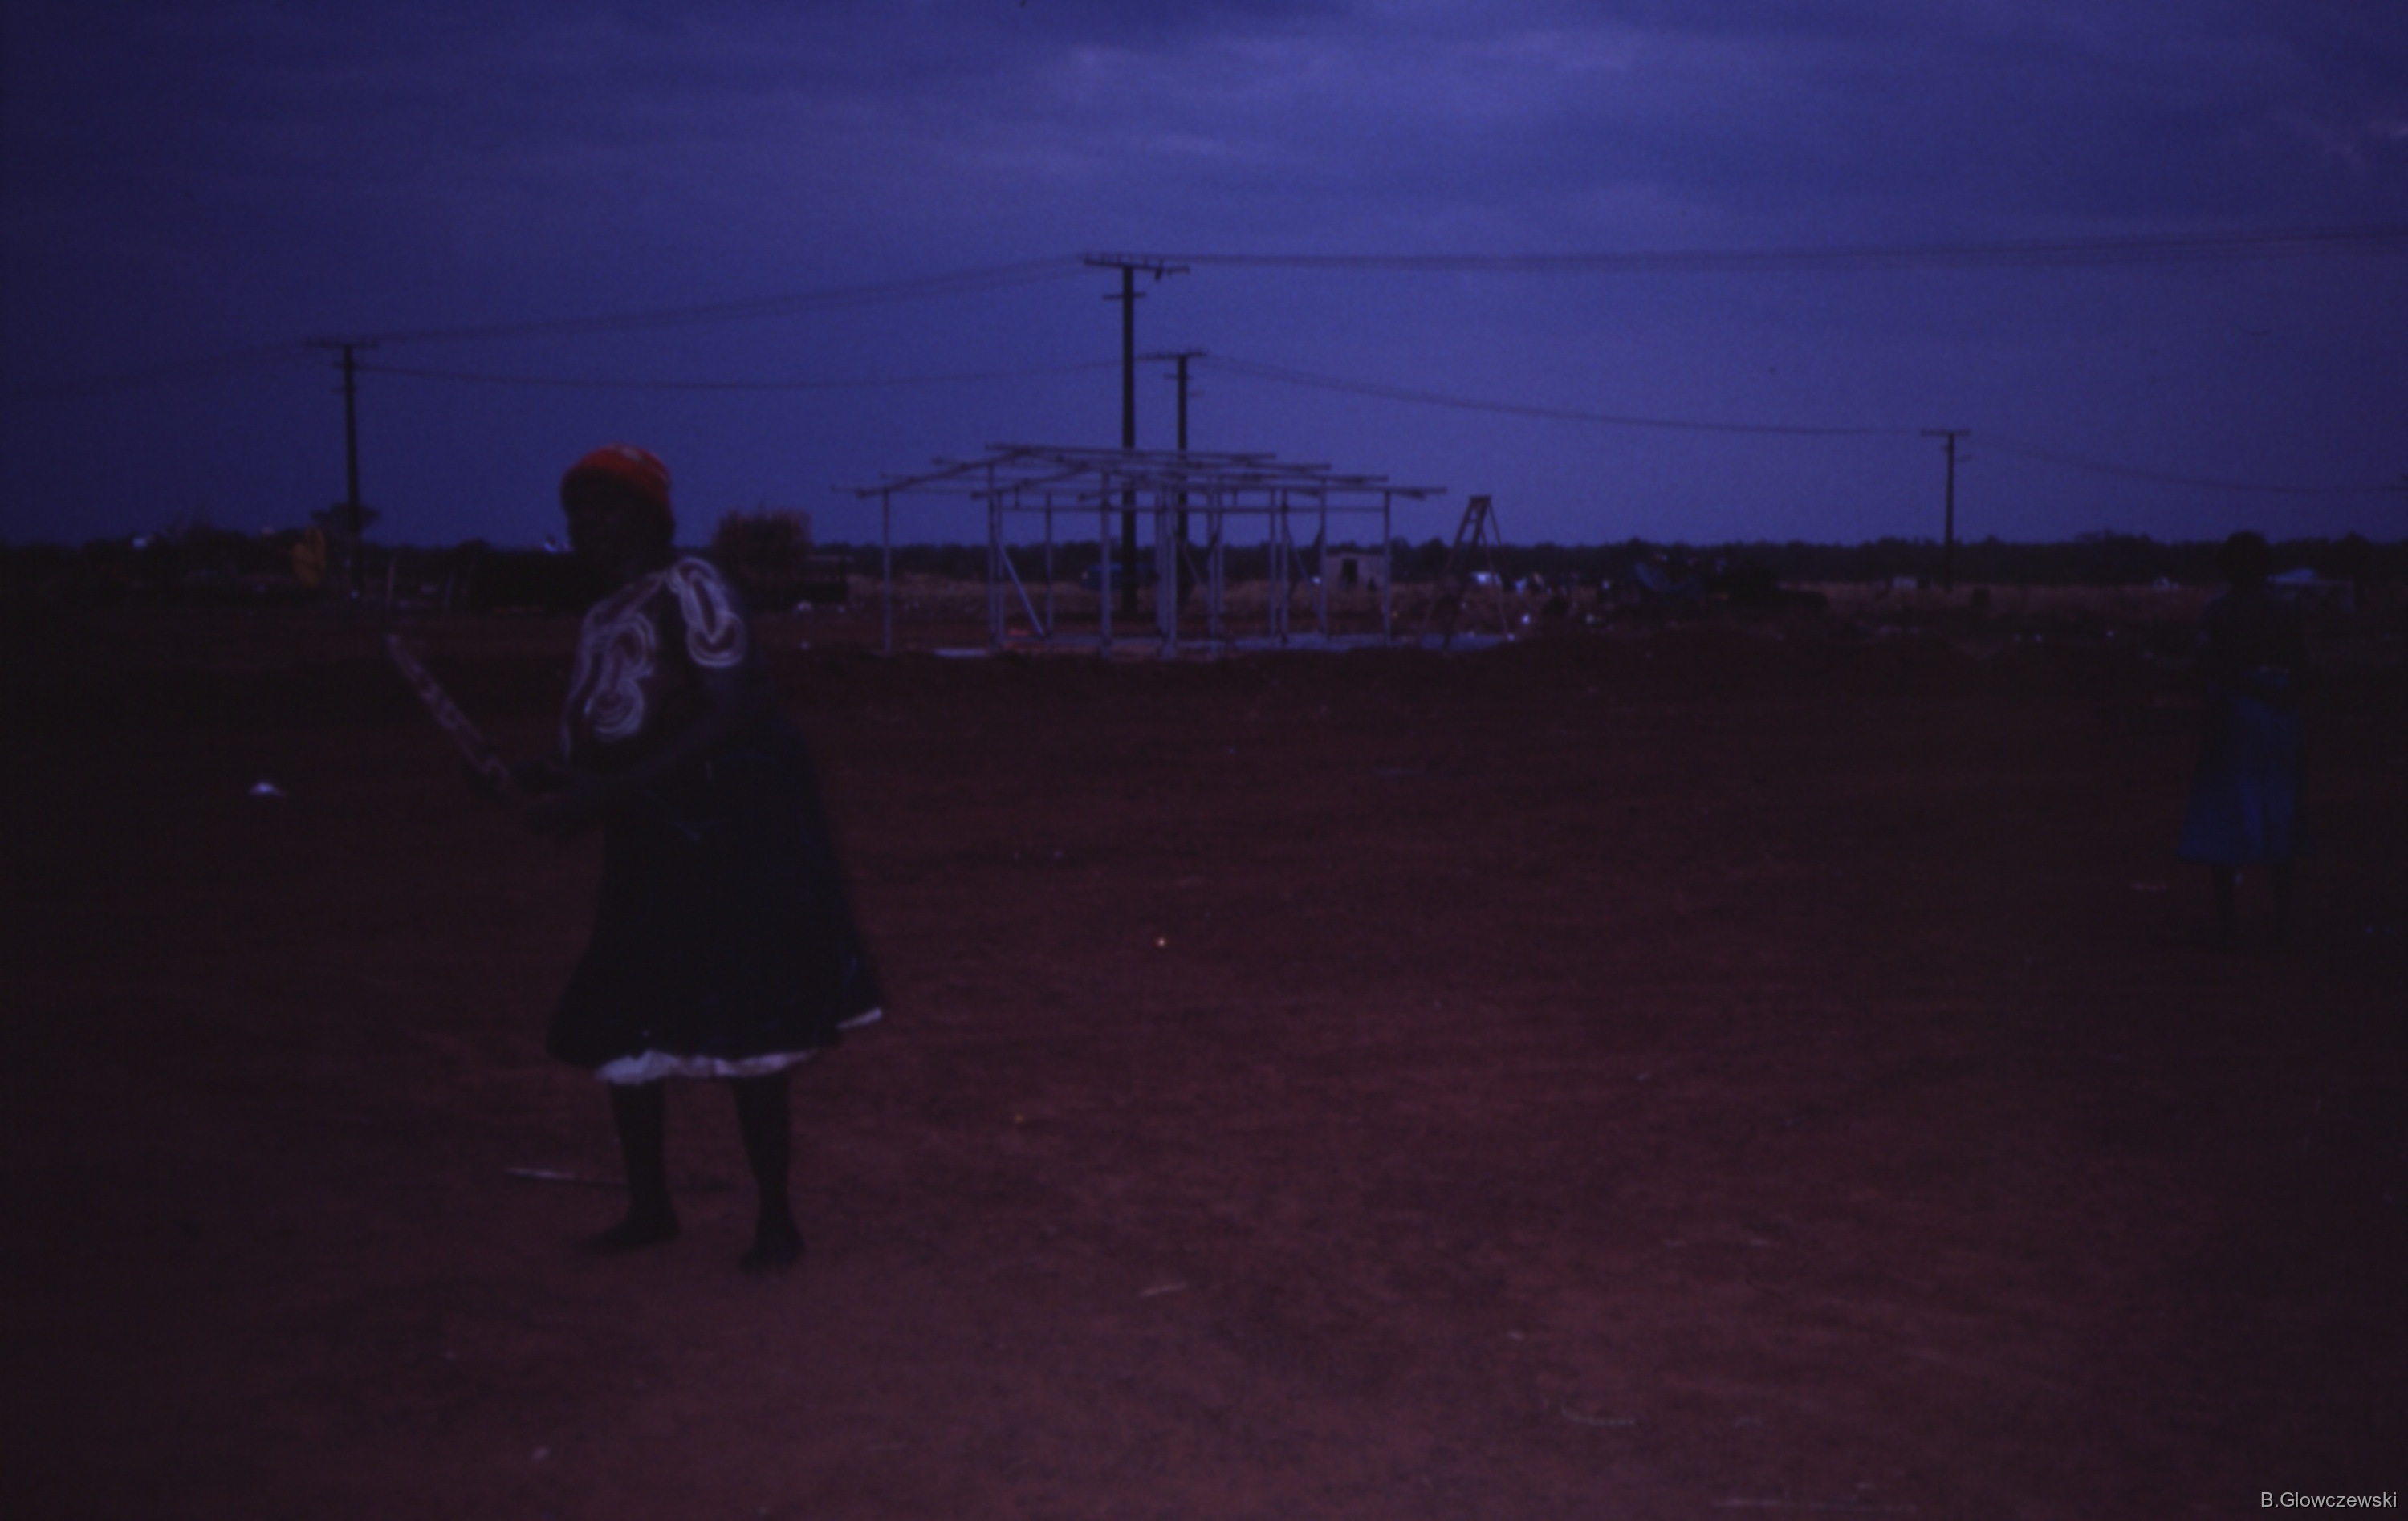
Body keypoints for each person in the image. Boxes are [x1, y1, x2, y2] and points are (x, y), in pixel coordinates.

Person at [517, 443, 881, 1271]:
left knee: (747, 1022)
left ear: (652, 518)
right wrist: (536, 778)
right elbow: (595, 748)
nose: (585, 527)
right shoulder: (603, 618)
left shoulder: (692, 588)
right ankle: (650, 1207)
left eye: (603, 509)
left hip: (730, 838)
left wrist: (601, 794)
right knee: (626, 1018)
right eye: (575, 513)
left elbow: (737, 704)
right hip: (650, 845)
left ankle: (776, 1220)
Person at [2176, 530, 2308, 946]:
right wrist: (2277, 693)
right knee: (2280, 814)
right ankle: (2281, 925)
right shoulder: (2284, 611)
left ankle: (2229, 928)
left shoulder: (2217, 611)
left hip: (2234, 715)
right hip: (2279, 718)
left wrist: (2243, 687)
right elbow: (2304, 669)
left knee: (2226, 817)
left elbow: (2204, 664)